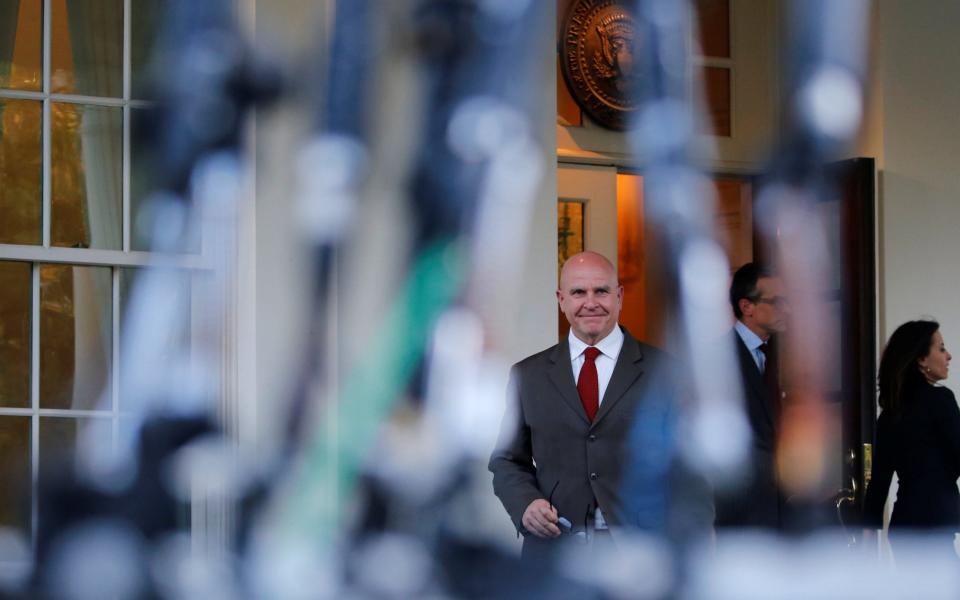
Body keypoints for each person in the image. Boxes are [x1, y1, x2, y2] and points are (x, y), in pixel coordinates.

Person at [488, 251, 676, 562]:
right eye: (578, 292)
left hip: (643, 556)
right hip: (553, 554)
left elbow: (688, 471)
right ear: (561, 300)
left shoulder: (665, 372)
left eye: (601, 291)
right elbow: (507, 460)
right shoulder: (528, 375)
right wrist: (526, 505)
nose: (591, 302)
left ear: (619, 296)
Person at [862, 320, 959, 557]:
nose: (949, 356)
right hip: (936, 524)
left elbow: (879, 481)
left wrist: (867, 533)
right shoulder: (941, 399)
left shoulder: (890, 413)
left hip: (904, 527)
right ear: (921, 359)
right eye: (942, 348)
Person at [714, 262, 790, 529]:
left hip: (787, 512)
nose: (787, 309)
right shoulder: (716, 360)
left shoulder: (789, 355)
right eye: (777, 302)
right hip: (740, 513)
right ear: (747, 307)